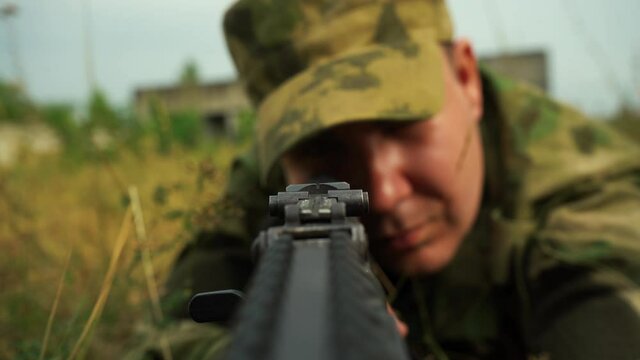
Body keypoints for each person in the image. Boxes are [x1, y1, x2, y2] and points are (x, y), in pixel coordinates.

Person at [127, 0, 640, 359]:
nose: (385, 191)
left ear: (466, 78)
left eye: (402, 125)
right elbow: (166, 332)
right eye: (324, 147)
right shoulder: (274, 181)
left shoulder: (584, 192)